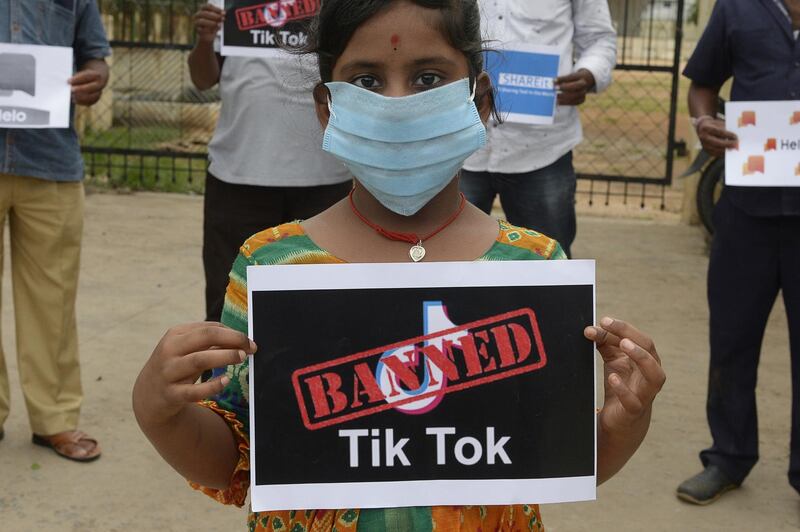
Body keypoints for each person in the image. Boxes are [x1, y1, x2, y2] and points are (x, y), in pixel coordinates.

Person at [132, 0, 666, 529]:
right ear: (326, 106)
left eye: (428, 77)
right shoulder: (272, 266)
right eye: (365, 81)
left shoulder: (533, 266)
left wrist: (623, 423)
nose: (396, 103)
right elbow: (236, 462)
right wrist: (159, 411)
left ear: (478, 100)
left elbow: (548, 454)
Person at [676, 0, 800, 506]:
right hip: (746, 208)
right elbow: (702, 86)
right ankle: (728, 457)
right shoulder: (738, 9)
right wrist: (704, 124)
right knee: (732, 337)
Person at [189, 2, 352, 323]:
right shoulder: (229, 3)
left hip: (324, 178)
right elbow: (202, 79)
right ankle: (226, 373)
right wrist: (205, 40)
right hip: (238, 176)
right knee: (229, 306)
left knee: (324, 308)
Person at [0, 0, 110, 461]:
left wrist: (95, 78)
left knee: (53, 298)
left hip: (50, 161)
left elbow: (95, 56)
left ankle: (56, 419)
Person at [459, 0, 617, 258]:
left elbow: (599, 39)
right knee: (443, 265)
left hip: (542, 149)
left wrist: (588, 75)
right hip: (458, 145)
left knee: (547, 273)